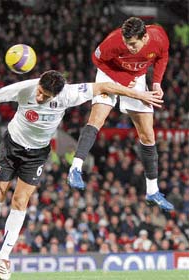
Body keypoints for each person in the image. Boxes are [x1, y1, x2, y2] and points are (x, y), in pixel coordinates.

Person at [0, 70, 162, 280]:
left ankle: (4, 257)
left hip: (37, 153)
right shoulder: (26, 88)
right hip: (12, 145)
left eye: (46, 96)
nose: (40, 98)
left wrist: (140, 95)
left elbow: (105, 87)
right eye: (40, 92)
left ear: (57, 94)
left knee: (20, 201)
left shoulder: (69, 93)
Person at [68, 17, 174, 212]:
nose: (129, 47)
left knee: (148, 135)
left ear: (145, 37)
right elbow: (97, 59)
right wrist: (122, 81)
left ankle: (152, 191)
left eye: (133, 44)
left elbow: (162, 56)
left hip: (138, 79)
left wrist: (157, 82)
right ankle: (75, 168)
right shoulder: (114, 41)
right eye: (127, 43)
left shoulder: (159, 36)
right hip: (110, 75)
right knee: (97, 119)